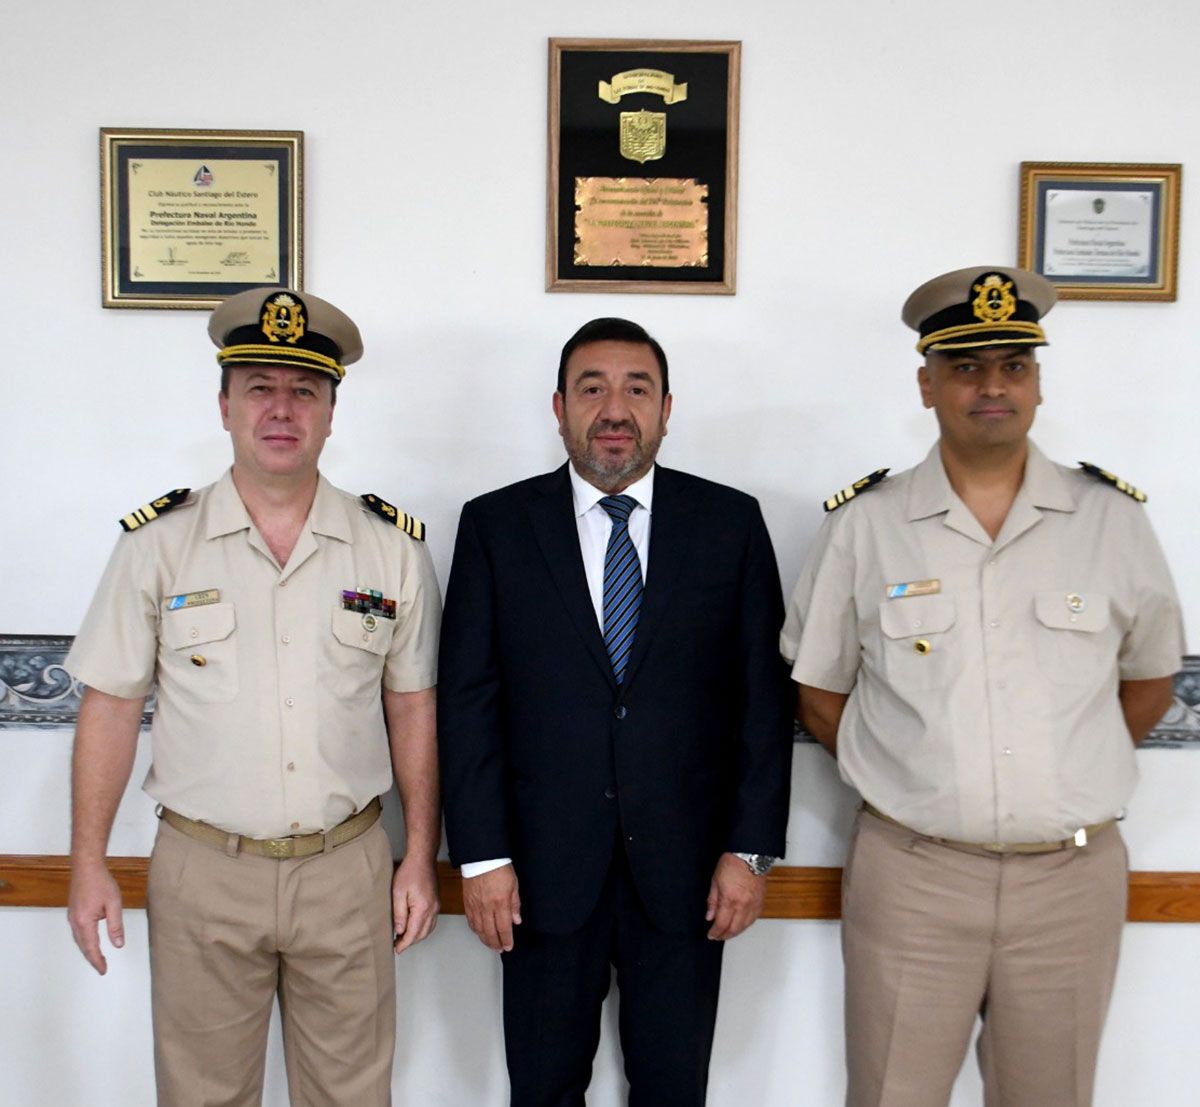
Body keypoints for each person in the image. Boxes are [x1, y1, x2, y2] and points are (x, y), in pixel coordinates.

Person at [782, 265, 1184, 1107]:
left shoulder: (1112, 521)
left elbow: (1148, 681)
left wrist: (1059, 773)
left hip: (1069, 884)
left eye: (1014, 366)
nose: (992, 387)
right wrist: (918, 777)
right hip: (915, 878)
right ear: (926, 384)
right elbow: (820, 692)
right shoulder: (867, 525)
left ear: (1037, 383)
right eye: (966, 367)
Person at [65, 287, 442, 1106]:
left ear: (332, 412)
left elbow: (413, 707)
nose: (281, 408)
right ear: (225, 406)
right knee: (202, 1095)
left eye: (304, 390)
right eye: (259, 387)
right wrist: (87, 861)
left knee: (351, 1096)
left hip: (346, 870)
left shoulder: (391, 550)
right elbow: (111, 708)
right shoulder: (158, 546)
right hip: (205, 870)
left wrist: (419, 855)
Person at [438, 317, 793, 1105]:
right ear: (559, 406)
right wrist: (482, 858)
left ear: (666, 408)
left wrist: (751, 851)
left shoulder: (729, 523)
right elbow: (467, 702)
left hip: (688, 874)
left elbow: (762, 703)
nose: (614, 409)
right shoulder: (496, 526)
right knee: (543, 1087)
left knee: (673, 1088)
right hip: (538, 875)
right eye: (591, 388)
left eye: (637, 388)